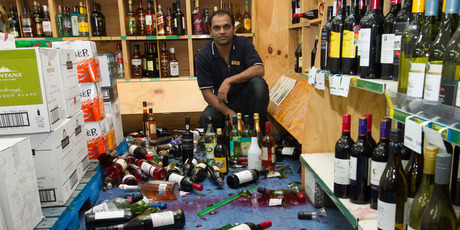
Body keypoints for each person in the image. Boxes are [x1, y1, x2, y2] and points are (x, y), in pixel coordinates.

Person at [195, 9, 269, 133]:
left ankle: (259, 135)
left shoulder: (243, 43)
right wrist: (229, 113)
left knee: (258, 84)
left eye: (226, 27)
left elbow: (259, 69)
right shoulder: (203, 56)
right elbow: (207, 93)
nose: (222, 31)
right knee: (207, 118)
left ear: (233, 29)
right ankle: (223, 146)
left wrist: (229, 80)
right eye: (217, 28)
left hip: (249, 101)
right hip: (223, 103)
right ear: (210, 31)